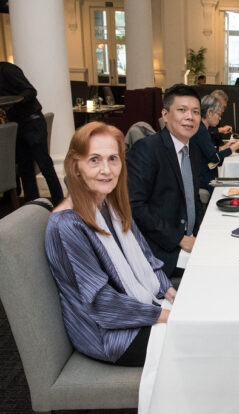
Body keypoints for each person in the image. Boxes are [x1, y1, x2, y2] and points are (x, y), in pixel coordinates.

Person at [45, 122, 175, 366]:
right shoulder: (67, 224)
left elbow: (148, 260)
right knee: (203, 340)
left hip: (137, 307)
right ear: (76, 167)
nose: (106, 169)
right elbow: (101, 302)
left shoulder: (110, 204)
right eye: (94, 160)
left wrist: (171, 293)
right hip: (109, 335)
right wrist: (167, 315)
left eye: (113, 159)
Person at [126, 84, 205, 277]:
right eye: (182, 110)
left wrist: (202, 231)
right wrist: (180, 239)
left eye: (195, 112)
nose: (190, 117)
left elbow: (191, 197)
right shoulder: (147, 150)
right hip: (162, 247)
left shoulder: (192, 149)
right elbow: (134, 206)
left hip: (190, 237)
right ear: (165, 114)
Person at [0, 61, 63, 205]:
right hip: (17, 124)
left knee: (44, 164)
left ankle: (59, 201)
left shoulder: (8, 69)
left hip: (32, 122)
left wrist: (14, 102)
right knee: (25, 167)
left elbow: (30, 91)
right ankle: (32, 204)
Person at [194, 94, 239, 196]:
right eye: (218, 114)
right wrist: (234, 147)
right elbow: (215, 158)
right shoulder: (201, 131)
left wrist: (225, 147)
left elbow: (209, 153)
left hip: (207, 174)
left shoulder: (202, 129)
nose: (220, 118)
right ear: (209, 113)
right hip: (206, 180)